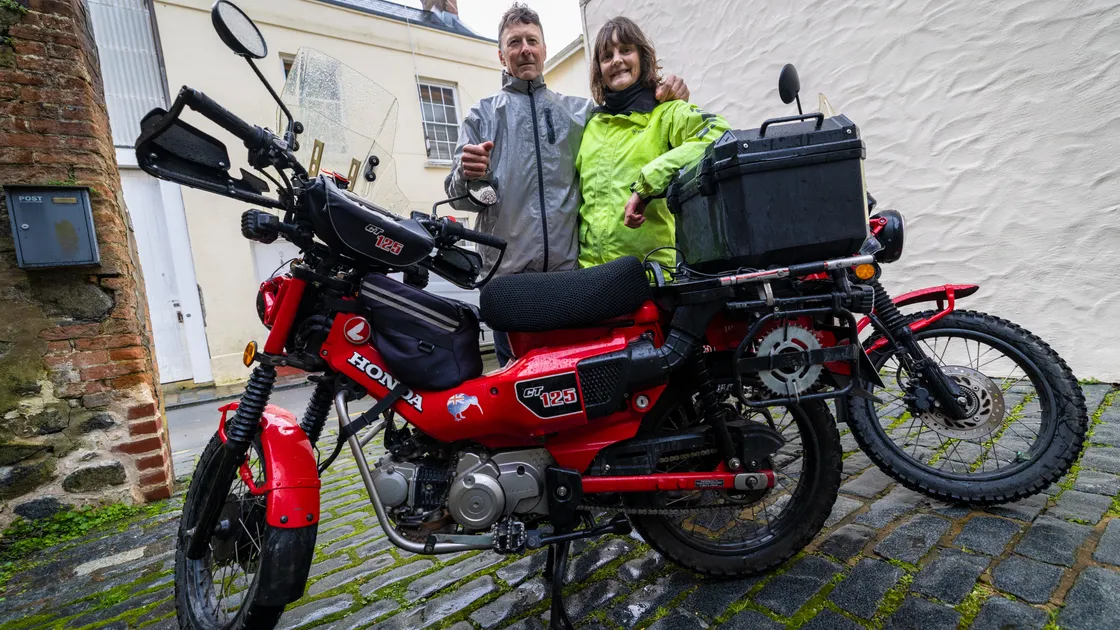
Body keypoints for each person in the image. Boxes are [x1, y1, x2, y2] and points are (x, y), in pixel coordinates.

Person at [444, 4, 689, 367]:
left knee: (569, 384)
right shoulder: (481, 115)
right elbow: (459, 197)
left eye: (532, 41)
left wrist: (671, 90)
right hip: (509, 284)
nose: (524, 48)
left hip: (569, 282)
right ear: (501, 54)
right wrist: (467, 174)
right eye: (514, 43)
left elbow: (632, 111)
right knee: (517, 392)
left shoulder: (580, 113)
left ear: (544, 50)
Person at [577, 17, 730, 272]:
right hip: (591, 279)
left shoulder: (667, 113)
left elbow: (718, 132)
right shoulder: (590, 125)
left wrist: (648, 183)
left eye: (626, 50)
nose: (616, 60)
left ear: (642, 58)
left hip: (649, 279)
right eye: (607, 56)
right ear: (599, 71)